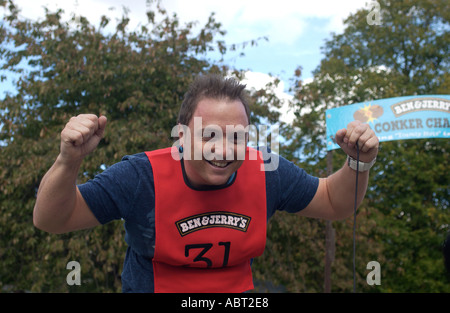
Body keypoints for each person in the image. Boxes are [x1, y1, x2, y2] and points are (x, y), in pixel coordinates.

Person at [33, 74, 379, 293]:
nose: (223, 149)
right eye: (209, 135)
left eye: (237, 137)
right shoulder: (141, 176)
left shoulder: (267, 171)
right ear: (181, 136)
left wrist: (358, 162)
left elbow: (334, 202)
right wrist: (68, 161)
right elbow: (52, 219)